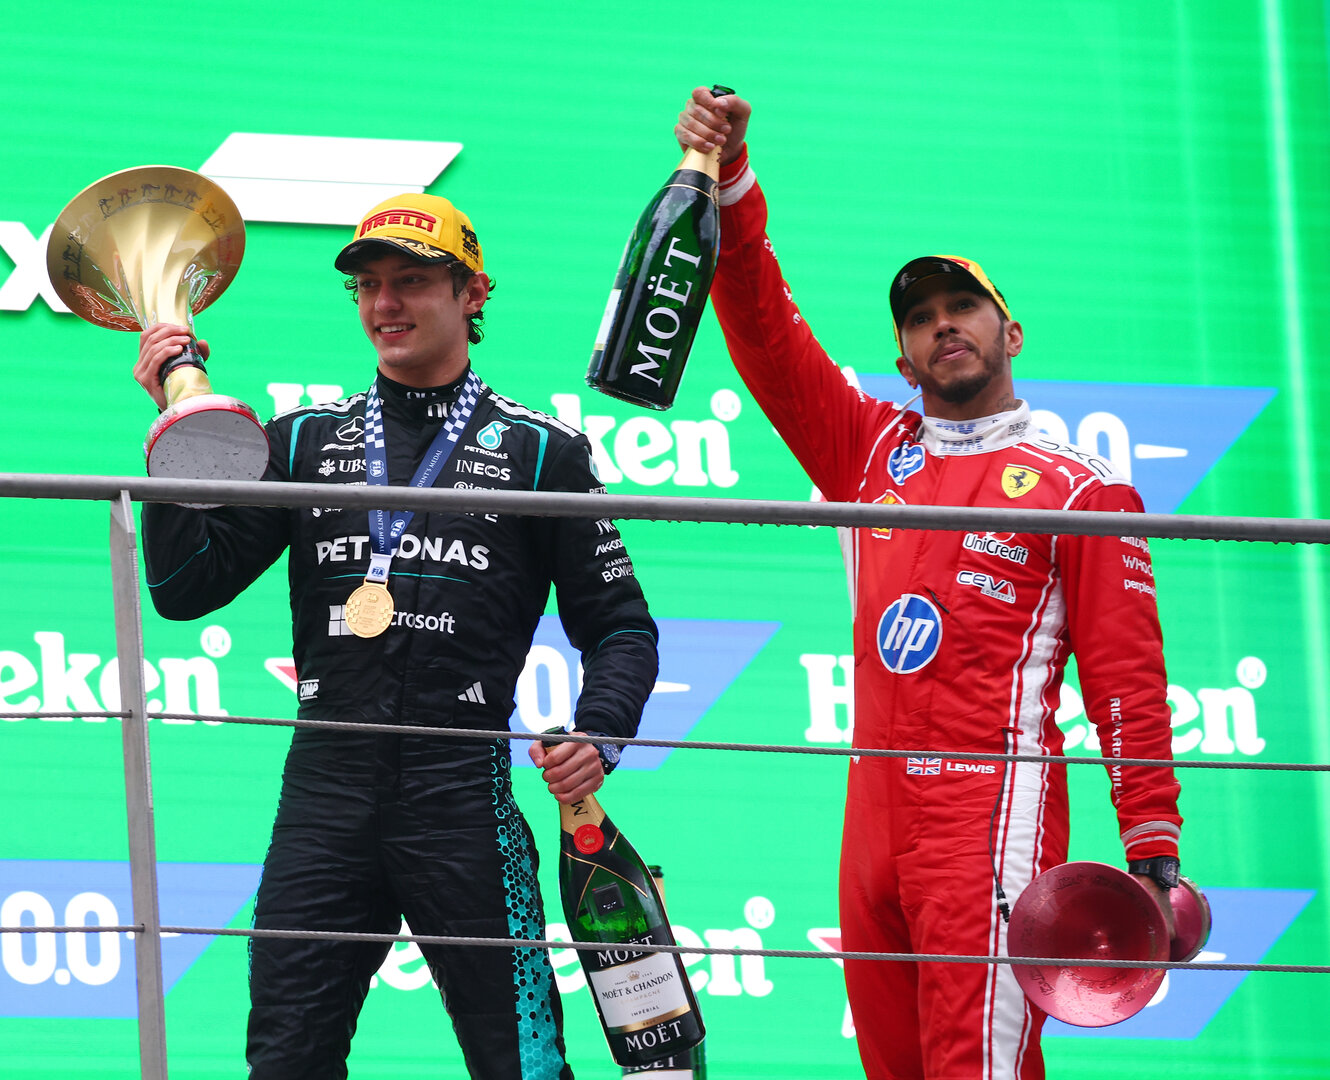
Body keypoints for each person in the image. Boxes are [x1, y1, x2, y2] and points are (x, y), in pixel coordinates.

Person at [675, 87, 1183, 1079]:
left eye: (964, 308)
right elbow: (766, 337)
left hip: (986, 818)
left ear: (1010, 332)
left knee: (975, 1067)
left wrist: (1151, 846)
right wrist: (731, 183)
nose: (943, 326)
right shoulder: (868, 449)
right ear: (900, 355)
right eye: (920, 317)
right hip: (869, 818)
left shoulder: (1079, 487)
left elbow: (1126, 676)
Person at [133, 192, 658, 1080]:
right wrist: (177, 432)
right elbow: (186, 590)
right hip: (323, 797)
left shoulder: (542, 454)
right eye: (370, 286)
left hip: (462, 795)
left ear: (473, 294)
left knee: (522, 1065)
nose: (386, 304)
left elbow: (622, 630)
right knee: (284, 1064)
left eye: (412, 281)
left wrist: (599, 734)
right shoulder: (301, 441)